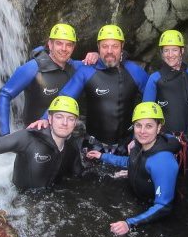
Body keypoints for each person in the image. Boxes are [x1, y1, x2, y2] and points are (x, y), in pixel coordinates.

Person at [29, 24, 149, 155]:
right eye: (104, 46)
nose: (109, 51)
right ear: (98, 47)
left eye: (114, 46)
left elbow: (152, 101)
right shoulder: (86, 71)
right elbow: (65, 98)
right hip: (93, 146)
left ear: (122, 46)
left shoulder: (134, 71)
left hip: (127, 146)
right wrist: (45, 118)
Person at [86, 102, 180, 235]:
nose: (142, 131)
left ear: (159, 128)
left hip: (154, 214)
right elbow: (131, 162)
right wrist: (103, 156)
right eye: (138, 125)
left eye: (149, 126)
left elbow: (164, 206)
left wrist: (129, 224)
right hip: (138, 200)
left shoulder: (163, 161)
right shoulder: (139, 146)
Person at [0, 96, 84, 191]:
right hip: (17, 198)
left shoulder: (72, 147)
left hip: (51, 199)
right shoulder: (29, 138)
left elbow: (77, 177)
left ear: (75, 123)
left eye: (70, 118)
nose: (65, 122)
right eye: (59, 117)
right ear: (49, 119)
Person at [0, 23, 98, 136]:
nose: (64, 49)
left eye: (68, 45)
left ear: (73, 47)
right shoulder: (33, 67)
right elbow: (4, 94)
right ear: (50, 44)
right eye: (59, 43)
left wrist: (96, 55)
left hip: (65, 136)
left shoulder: (75, 67)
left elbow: (103, 64)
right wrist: (5, 136)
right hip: (35, 135)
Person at [142, 30, 188, 172]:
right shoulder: (155, 79)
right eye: (166, 51)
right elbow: (145, 115)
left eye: (174, 50)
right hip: (164, 141)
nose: (170, 55)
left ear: (182, 51)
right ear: (161, 53)